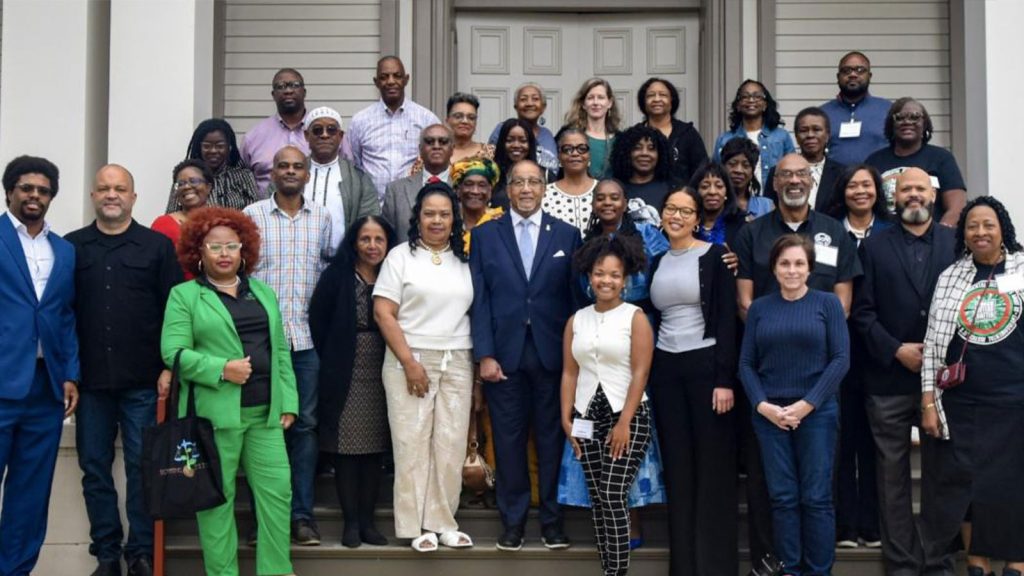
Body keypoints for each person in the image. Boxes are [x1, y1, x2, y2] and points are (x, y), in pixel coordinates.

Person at [160, 207, 298, 576]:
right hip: (213, 418)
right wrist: (222, 369)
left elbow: (279, 350)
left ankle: (276, 572)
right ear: (198, 252)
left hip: (265, 415)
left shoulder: (262, 292)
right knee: (216, 503)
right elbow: (173, 352)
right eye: (215, 246)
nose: (224, 253)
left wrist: (288, 401)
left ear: (243, 250)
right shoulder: (185, 295)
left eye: (232, 246)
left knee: (277, 496)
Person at [66, 165, 183, 576]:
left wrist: (169, 367)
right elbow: (63, 314)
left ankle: (140, 553)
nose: (111, 194)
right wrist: (67, 373)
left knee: (142, 467)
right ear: (93, 196)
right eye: (104, 188)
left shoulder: (157, 247)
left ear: (133, 197)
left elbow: (175, 313)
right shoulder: (72, 247)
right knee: (94, 468)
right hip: (91, 383)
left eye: (120, 188)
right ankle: (107, 554)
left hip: (144, 382)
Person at [470, 159, 581, 551]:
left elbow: (574, 300)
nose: (527, 189)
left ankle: (552, 522)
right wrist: (484, 354)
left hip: (554, 358)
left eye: (534, 182)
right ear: (508, 188)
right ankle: (513, 523)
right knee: (508, 442)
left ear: (545, 188)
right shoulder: (485, 235)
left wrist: (575, 358)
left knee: (552, 441)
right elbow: (479, 300)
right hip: (504, 358)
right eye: (519, 182)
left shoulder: (567, 234)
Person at [851, 167, 957, 574]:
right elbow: (862, 313)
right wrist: (896, 350)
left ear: (933, 194)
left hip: (944, 382)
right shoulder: (873, 246)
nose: (913, 194)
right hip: (888, 379)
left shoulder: (955, 242)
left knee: (940, 476)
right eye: (905, 188)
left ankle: (938, 560)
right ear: (894, 196)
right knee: (890, 478)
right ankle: (902, 564)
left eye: (920, 188)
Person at [921, 196, 1024, 576]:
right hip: (961, 401)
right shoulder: (951, 276)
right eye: (972, 226)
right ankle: (976, 560)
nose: (981, 232)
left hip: (1013, 398)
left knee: (1011, 482)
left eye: (988, 225)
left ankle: (1016, 558)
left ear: (1003, 230)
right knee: (965, 483)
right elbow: (933, 343)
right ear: (963, 233)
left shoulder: (1022, 269)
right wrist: (928, 402)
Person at [739, 234, 850, 576]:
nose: (792, 270)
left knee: (816, 498)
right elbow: (746, 364)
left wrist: (807, 404)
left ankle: (819, 571)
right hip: (769, 416)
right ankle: (790, 569)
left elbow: (841, 359)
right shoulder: (760, 308)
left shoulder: (827, 304)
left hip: (817, 414)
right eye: (784, 263)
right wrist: (762, 406)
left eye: (799, 263)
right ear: (773, 268)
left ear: (810, 268)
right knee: (783, 497)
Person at [373, 182, 475, 552]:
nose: (437, 221)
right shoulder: (400, 256)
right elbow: (383, 312)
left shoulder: (465, 258)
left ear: (454, 219)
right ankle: (414, 526)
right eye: (429, 213)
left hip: (458, 357)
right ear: (418, 217)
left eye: (444, 214)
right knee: (411, 444)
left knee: (450, 444)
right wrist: (409, 362)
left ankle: (442, 522)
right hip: (410, 358)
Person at [645, 186, 740, 575]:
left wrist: (724, 379)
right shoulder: (656, 261)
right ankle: (683, 566)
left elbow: (727, 319)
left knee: (712, 468)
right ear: (661, 215)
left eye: (686, 211)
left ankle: (713, 566)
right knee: (678, 469)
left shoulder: (717, 256)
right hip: (667, 370)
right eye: (671, 209)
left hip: (707, 368)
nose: (677, 216)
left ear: (698, 219)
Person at [243, 146, 331, 546]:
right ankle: (264, 518)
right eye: (283, 166)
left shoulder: (323, 218)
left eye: (298, 166)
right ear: (272, 173)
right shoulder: (252, 216)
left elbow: (326, 271)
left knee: (306, 427)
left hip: (307, 342)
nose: (291, 171)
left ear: (308, 174)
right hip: (261, 343)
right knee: (262, 427)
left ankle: (301, 517)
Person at [0, 155, 79, 576]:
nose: (35, 196)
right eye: (26, 188)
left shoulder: (63, 250)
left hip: (44, 389)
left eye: (43, 191)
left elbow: (65, 316)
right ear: (9, 191)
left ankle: (15, 570)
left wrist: (70, 374)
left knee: (30, 496)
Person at [561, 235, 653, 576]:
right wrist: (566, 418)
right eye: (600, 273)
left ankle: (617, 572)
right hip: (586, 415)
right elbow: (570, 373)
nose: (606, 281)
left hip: (627, 417)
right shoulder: (576, 320)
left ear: (624, 279)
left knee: (613, 494)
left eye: (614, 275)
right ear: (589, 276)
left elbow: (641, 372)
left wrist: (624, 422)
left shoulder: (635, 318)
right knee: (598, 497)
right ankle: (608, 569)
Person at [309, 216, 396, 548]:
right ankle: (351, 524)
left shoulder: (394, 273)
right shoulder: (337, 276)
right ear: (354, 243)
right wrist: (333, 355)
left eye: (379, 239)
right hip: (344, 367)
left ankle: (369, 523)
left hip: (384, 365)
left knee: (374, 448)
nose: (372, 246)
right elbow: (318, 320)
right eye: (365, 239)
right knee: (346, 449)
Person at [735, 153, 861, 319]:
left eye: (801, 173)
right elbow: (744, 303)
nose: (794, 180)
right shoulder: (750, 234)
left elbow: (843, 305)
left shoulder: (835, 232)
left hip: (821, 333)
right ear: (774, 183)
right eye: (786, 174)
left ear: (811, 181)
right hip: (768, 332)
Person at [240, 68, 349, 196]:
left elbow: (350, 171)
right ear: (273, 95)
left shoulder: (329, 132)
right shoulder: (253, 137)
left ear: (304, 92)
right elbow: (242, 181)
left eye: (294, 85)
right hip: (267, 206)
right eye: (281, 86)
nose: (288, 91)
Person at [348, 56, 441, 202]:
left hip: (414, 205)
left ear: (406, 79)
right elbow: (356, 164)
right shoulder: (360, 121)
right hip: (373, 206)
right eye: (384, 77)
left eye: (397, 76)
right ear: (376, 82)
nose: (391, 81)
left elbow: (438, 160)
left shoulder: (426, 119)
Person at [865, 97, 967, 227]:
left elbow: (957, 207)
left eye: (915, 117)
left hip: (931, 236)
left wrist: (940, 235)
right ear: (891, 125)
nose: (907, 122)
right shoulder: (874, 161)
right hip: (884, 236)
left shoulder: (941, 158)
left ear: (925, 124)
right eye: (899, 117)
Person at [299, 106, 380, 252]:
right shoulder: (291, 173)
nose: (324, 135)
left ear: (340, 136)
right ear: (306, 136)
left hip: (343, 260)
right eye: (317, 130)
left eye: (331, 130)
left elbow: (369, 224)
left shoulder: (359, 179)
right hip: (298, 259)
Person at [163, 118, 259, 212]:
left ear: (229, 147)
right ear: (199, 147)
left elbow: (255, 212)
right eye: (207, 146)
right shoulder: (185, 178)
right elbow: (171, 214)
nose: (213, 151)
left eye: (220, 146)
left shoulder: (243, 176)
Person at [713, 80, 795, 186]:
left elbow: (793, 168)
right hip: (736, 196)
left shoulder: (781, 136)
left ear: (765, 104)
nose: (751, 100)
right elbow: (717, 174)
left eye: (757, 96)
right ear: (738, 105)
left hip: (773, 196)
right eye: (745, 96)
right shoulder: (724, 139)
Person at [381, 124, 455, 242]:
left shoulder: (464, 189)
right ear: (420, 149)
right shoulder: (396, 190)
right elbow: (386, 238)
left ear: (452, 149)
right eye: (429, 142)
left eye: (443, 142)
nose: (436, 146)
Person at [766, 107, 845, 213]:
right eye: (803, 130)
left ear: (827, 135)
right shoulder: (777, 171)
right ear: (796, 136)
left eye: (816, 130)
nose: (810, 135)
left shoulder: (841, 174)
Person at [820, 52, 893, 166]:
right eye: (846, 70)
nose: (853, 74)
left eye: (860, 70)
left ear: (869, 76)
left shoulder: (888, 109)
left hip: (879, 176)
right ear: (838, 77)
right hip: (834, 177)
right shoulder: (822, 114)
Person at [637, 77, 708, 186]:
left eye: (663, 95)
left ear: (672, 101)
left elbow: (702, 171)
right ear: (643, 102)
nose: (657, 99)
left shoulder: (688, 133)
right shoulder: (635, 135)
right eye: (651, 95)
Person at [410, 92, 494, 175]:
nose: (465, 121)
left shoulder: (490, 153)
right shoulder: (431, 153)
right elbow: (413, 181)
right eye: (458, 116)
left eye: (471, 118)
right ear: (447, 121)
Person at [152, 159, 214, 267]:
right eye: (181, 184)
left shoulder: (223, 221)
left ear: (208, 187)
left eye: (194, 181)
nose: (186, 187)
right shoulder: (162, 224)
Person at [610, 124, 674, 227]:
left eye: (651, 148)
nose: (644, 153)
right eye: (637, 148)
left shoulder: (671, 188)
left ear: (660, 154)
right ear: (626, 153)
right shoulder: (614, 188)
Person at [487, 83, 559, 173]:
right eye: (523, 99)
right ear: (516, 106)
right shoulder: (502, 129)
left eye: (535, 99)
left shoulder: (547, 134)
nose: (529, 103)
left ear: (543, 107)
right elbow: (490, 162)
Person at [543, 127, 598, 235]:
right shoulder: (544, 194)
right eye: (567, 149)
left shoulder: (603, 191)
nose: (575, 153)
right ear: (559, 156)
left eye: (582, 148)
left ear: (589, 155)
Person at [563, 78, 621, 179]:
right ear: (583, 104)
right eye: (590, 98)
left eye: (601, 97)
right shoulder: (568, 135)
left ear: (610, 103)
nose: (595, 102)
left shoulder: (620, 139)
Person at [453, 158, 504, 252]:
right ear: (458, 190)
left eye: (482, 185)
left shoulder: (501, 222)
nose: (475, 191)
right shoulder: (449, 223)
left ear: (490, 191)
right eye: (469, 184)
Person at [490, 118, 541, 211]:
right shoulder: (491, 175)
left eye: (523, 141)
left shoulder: (545, 175)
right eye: (509, 140)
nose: (516, 145)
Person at [720, 138, 775, 220]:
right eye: (732, 164)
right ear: (722, 167)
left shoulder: (767, 206)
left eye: (746, 165)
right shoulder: (714, 203)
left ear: (752, 171)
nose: (738, 170)